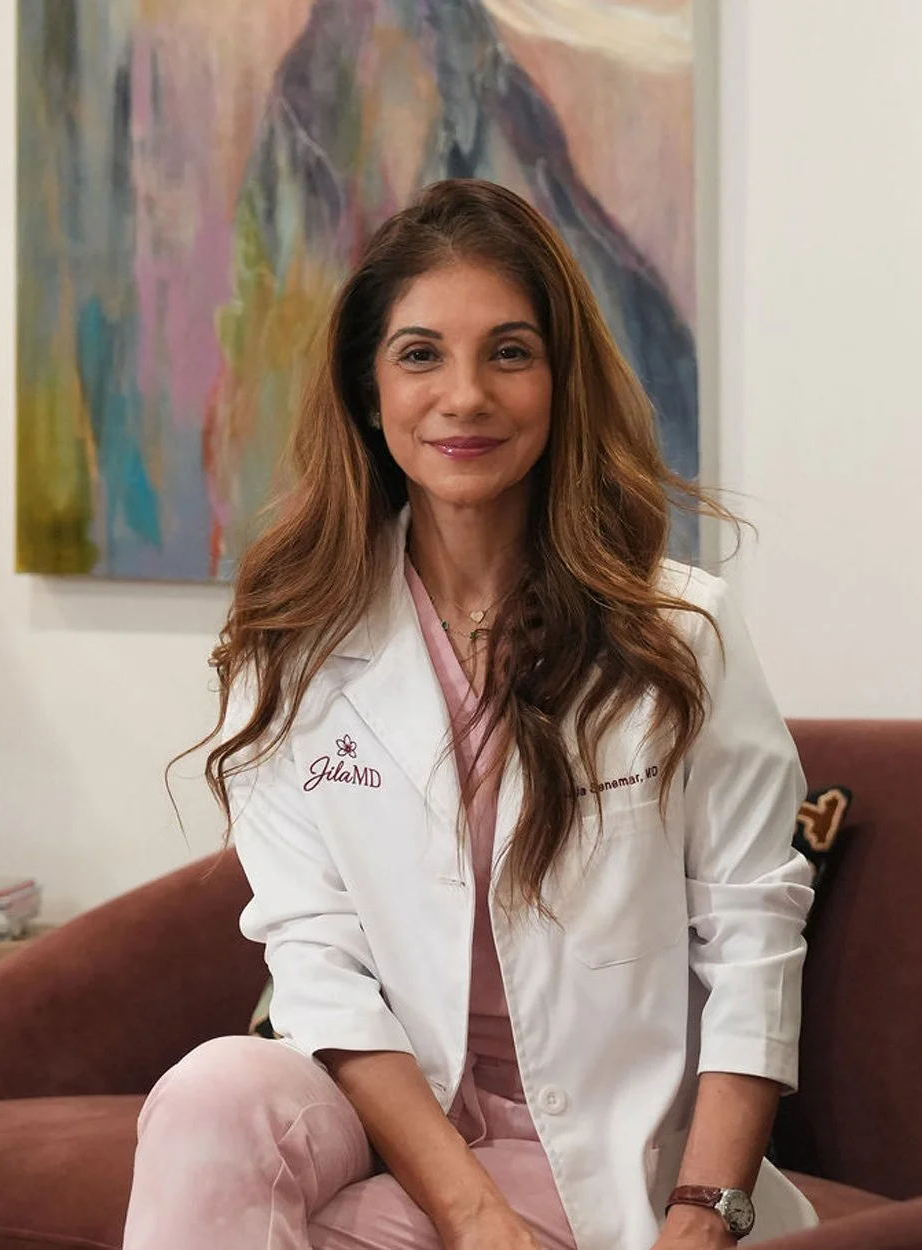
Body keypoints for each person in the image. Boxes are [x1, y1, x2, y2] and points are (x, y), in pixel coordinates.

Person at [123, 179, 818, 1250]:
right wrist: (472, 1215)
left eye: (508, 351)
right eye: (418, 354)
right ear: (367, 388)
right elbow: (319, 966)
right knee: (216, 1089)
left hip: (609, 1149)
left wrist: (701, 1213)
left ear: (559, 378)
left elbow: (751, 949)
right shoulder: (293, 640)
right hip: (403, 1135)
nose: (464, 396)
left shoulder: (683, 633)